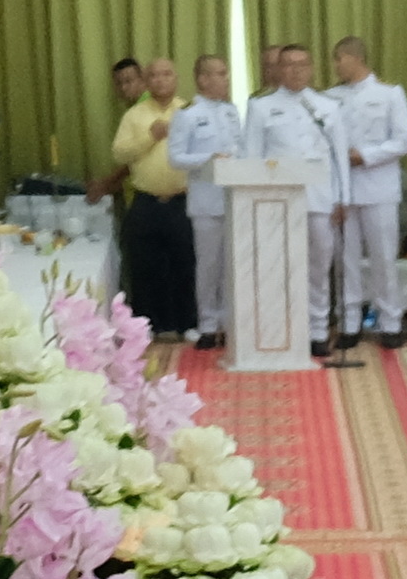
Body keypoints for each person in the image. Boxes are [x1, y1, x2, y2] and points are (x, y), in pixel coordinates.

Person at [239, 44, 348, 365]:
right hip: (275, 202)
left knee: (318, 266)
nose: (296, 71)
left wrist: (344, 199)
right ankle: (279, 331)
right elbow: (251, 158)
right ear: (278, 70)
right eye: (288, 65)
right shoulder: (261, 107)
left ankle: (316, 332)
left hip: (320, 199)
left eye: (302, 64)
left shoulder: (327, 105)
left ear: (312, 68)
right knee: (277, 268)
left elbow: (339, 157)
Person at [321, 37, 407, 350]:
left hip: (379, 187)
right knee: (345, 258)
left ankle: (390, 321)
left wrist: (367, 155)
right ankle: (349, 321)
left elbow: (405, 140)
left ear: (353, 57)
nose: (336, 66)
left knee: (383, 257)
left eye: (339, 59)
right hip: (344, 190)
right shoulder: (330, 97)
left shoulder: (389, 94)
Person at [105, 59, 191, 336]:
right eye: (153, 76)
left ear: (175, 78)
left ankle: (188, 324)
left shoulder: (188, 111)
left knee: (185, 264)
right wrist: (150, 137)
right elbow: (120, 154)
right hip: (145, 202)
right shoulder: (134, 116)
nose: (160, 80)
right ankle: (149, 326)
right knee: (145, 266)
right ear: (146, 81)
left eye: (166, 74)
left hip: (183, 201)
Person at [170, 54, 243, 349]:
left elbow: (241, 150)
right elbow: (175, 157)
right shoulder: (187, 114)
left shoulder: (231, 112)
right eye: (220, 73)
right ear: (202, 79)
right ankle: (208, 325)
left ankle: (230, 322)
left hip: (235, 198)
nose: (226, 79)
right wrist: (208, 159)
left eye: (226, 73)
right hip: (205, 200)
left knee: (233, 264)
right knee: (209, 264)